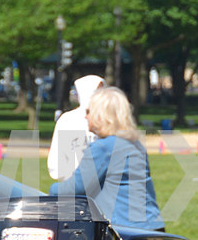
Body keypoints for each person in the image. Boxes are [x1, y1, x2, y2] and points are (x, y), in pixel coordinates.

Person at [50, 86, 164, 230]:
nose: (86, 116)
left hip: (125, 230)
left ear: (100, 115)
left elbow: (75, 188)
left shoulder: (103, 148)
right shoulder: (135, 145)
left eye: (88, 111)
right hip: (153, 227)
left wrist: (50, 191)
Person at [47, 75, 105, 181]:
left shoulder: (110, 120)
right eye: (97, 92)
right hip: (74, 186)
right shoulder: (68, 120)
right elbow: (56, 161)